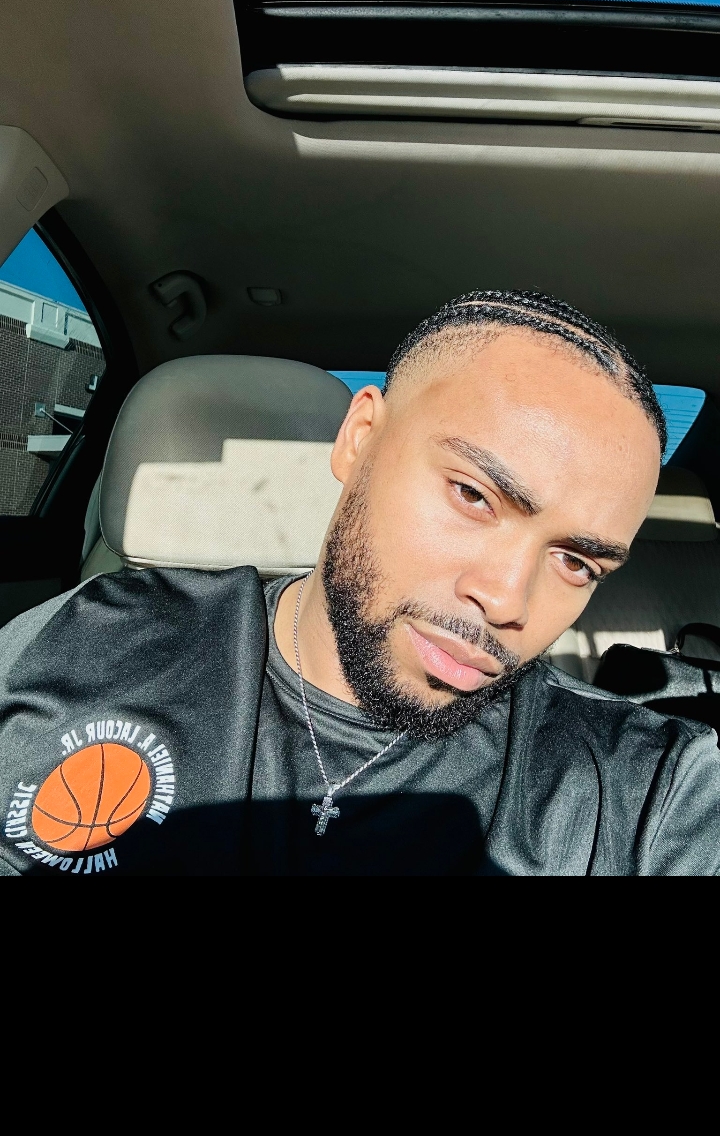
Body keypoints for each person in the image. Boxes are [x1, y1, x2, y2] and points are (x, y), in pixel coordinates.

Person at [3, 289, 720, 876]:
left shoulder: (652, 788)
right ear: (359, 439)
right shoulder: (92, 641)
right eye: (473, 495)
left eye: (576, 562)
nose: (508, 600)